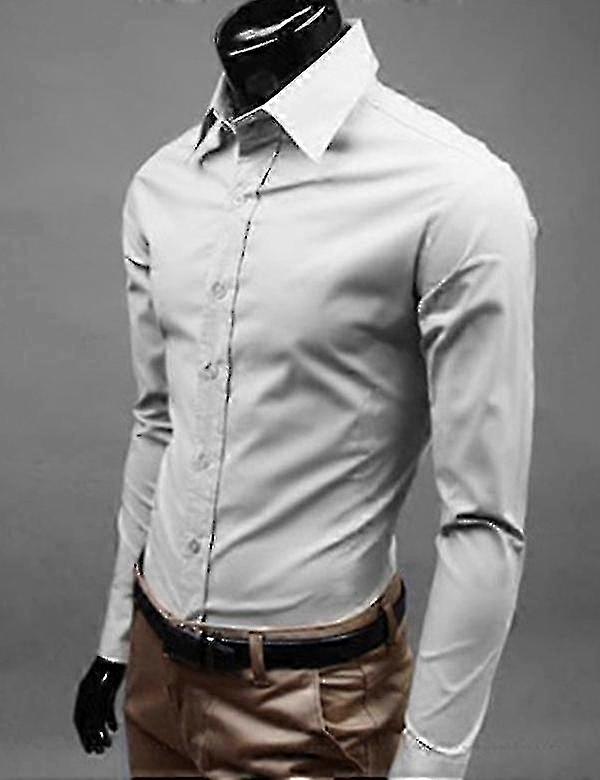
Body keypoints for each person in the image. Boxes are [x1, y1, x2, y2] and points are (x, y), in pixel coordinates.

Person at [73, 1, 539, 777]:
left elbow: (484, 519)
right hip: (157, 682)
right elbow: (159, 423)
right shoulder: (162, 185)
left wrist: (430, 762)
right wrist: (116, 641)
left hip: (316, 704)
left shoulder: (457, 194)